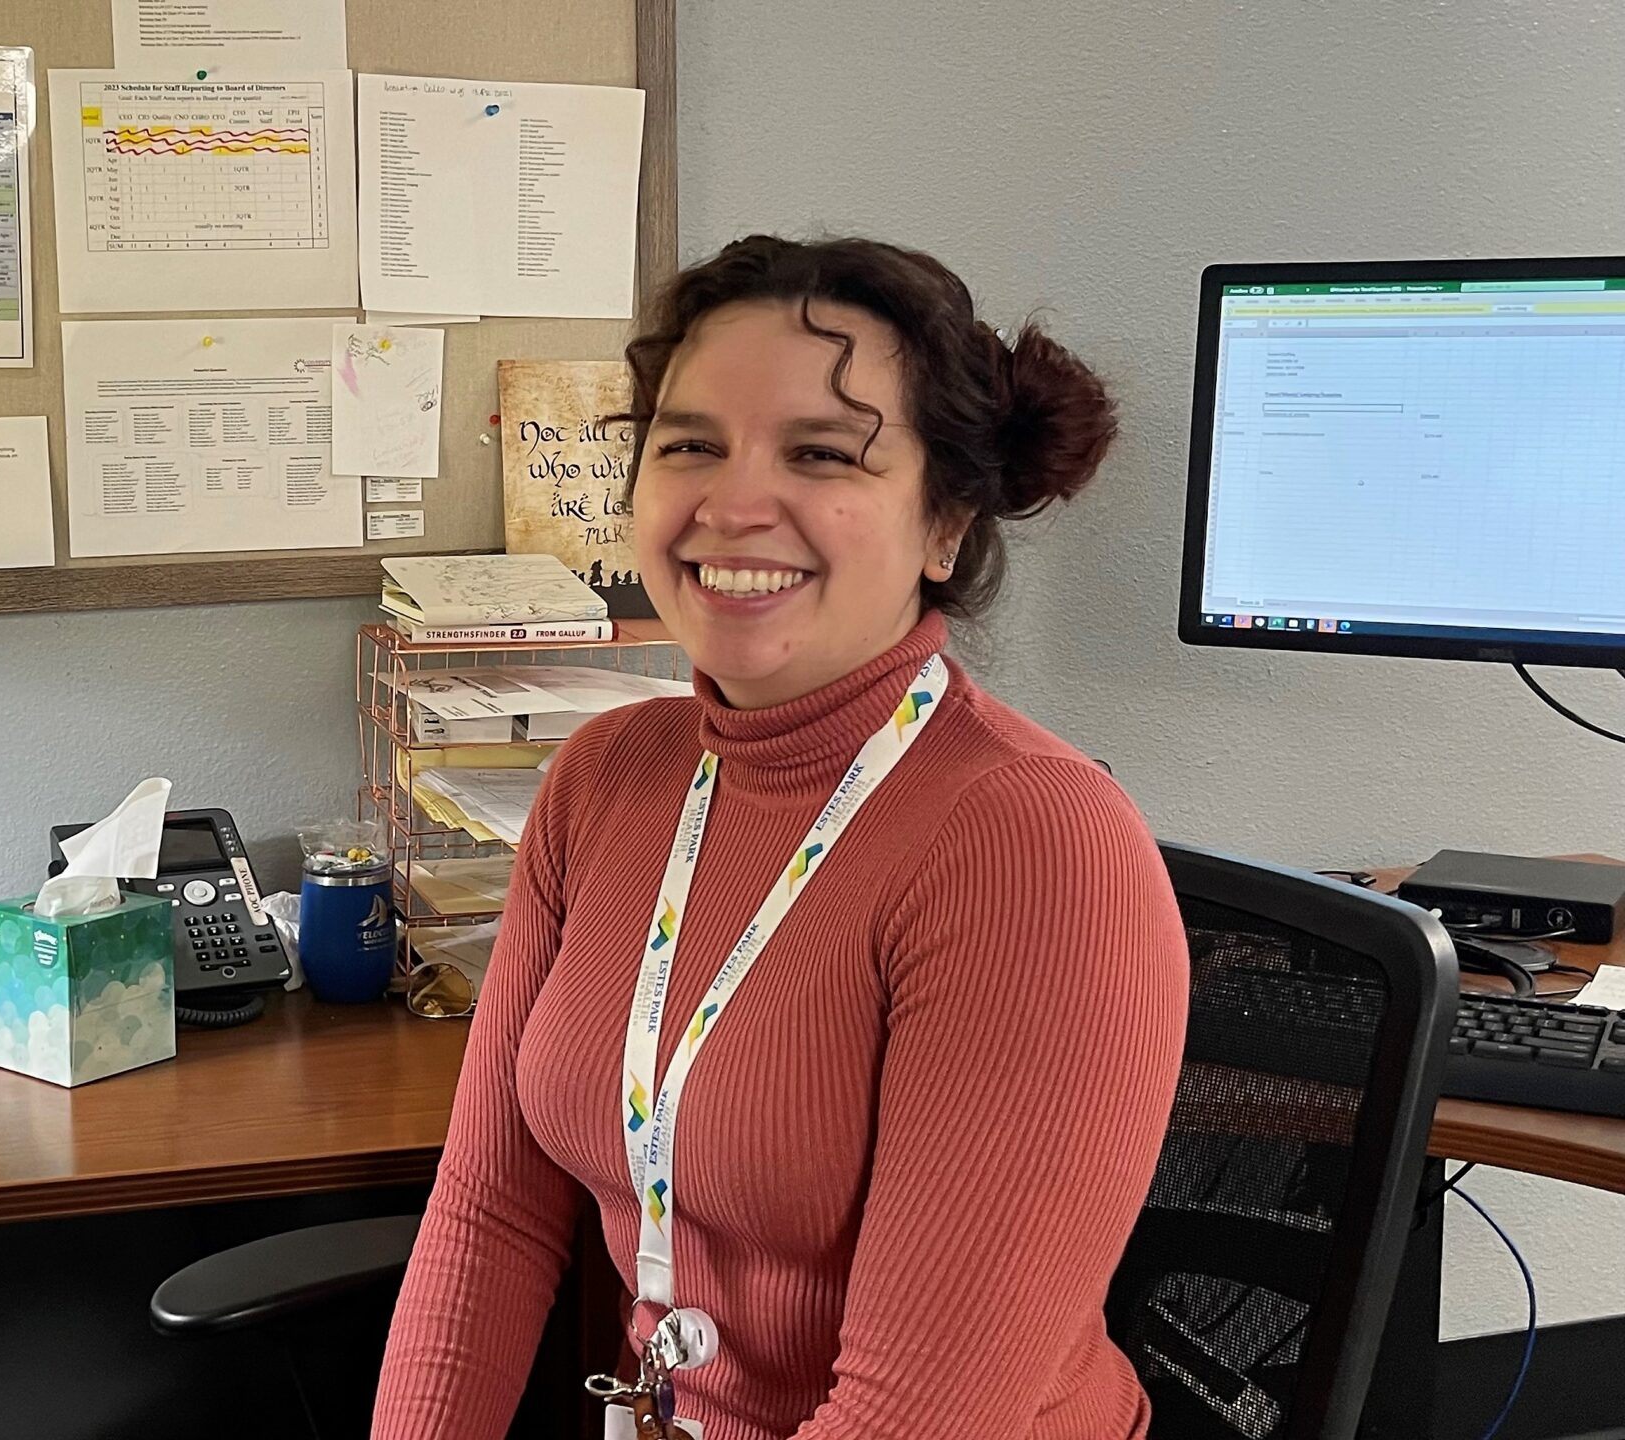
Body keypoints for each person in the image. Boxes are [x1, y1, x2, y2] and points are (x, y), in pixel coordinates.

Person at [372, 235, 1190, 1440]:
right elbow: (488, 1216)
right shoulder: (608, 774)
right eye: (689, 445)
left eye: (820, 453)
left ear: (943, 525)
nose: (732, 504)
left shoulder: (1035, 845)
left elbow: (919, 1417)